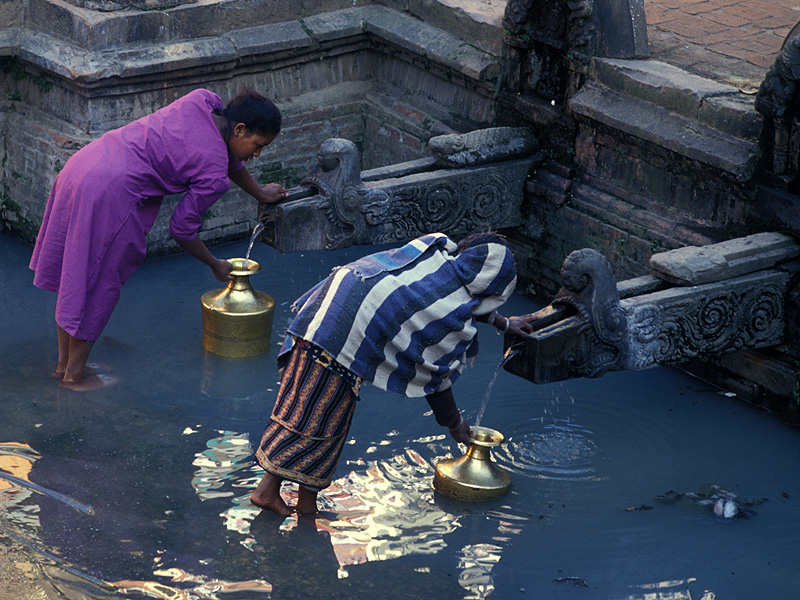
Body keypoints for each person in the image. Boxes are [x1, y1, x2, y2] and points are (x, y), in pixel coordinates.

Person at [249, 231, 536, 515]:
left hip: (319, 315)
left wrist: (505, 323)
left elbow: (466, 301)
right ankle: (293, 504)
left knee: (305, 414)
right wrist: (455, 424)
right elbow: (437, 379)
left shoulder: (437, 254)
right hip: (337, 339)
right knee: (317, 423)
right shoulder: (451, 312)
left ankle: (282, 495)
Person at [29, 88, 289, 390]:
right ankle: (75, 377)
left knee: (77, 272)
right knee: (99, 282)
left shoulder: (203, 102)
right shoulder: (214, 175)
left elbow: (225, 154)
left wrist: (258, 192)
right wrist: (214, 263)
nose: (257, 154)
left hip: (83, 166)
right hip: (112, 193)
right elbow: (181, 230)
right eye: (258, 145)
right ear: (240, 129)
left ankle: (63, 365)